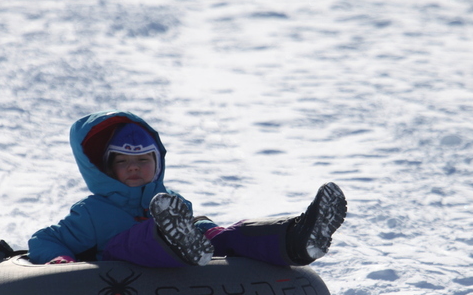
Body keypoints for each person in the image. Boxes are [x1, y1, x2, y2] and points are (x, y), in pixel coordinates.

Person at [27, 111, 347, 268]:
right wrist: (60, 262)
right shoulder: (93, 212)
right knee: (132, 240)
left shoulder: (173, 201)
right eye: (123, 161)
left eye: (143, 160)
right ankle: (173, 237)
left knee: (224, 235)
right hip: (122, 267)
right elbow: (44, 240)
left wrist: (209, 231)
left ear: (158, 163)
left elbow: (199, 224)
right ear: (107, 169)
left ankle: (297, 238)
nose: (134, 167)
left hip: (186, 246)